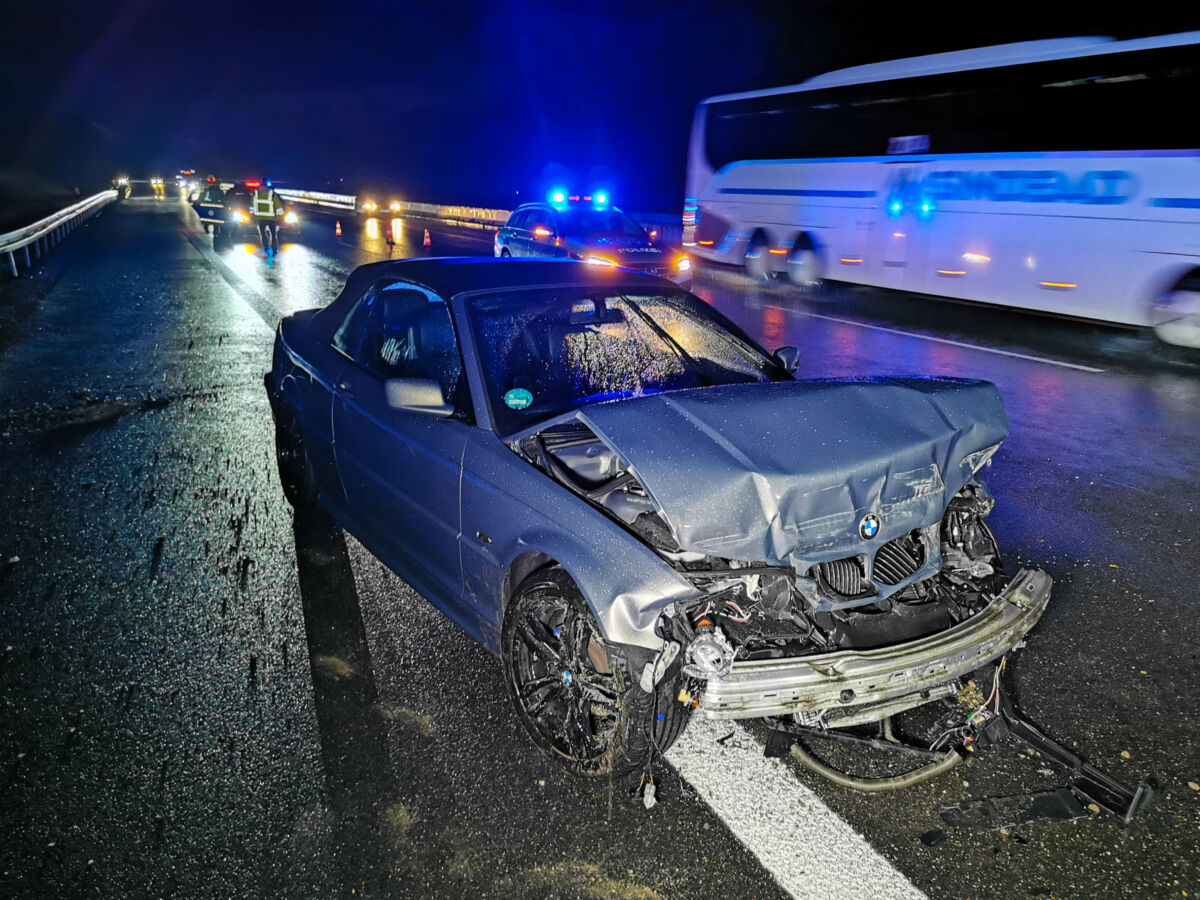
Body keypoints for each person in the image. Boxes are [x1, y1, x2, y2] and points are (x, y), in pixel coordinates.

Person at [251, 179, 285, 252]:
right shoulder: (271, 193)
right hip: (271, 217)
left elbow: (252, 205)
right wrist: (280, 215)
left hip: (260, 217)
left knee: (263, 233)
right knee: (273, 234)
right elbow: (277, 205)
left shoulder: (256, 193)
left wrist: (252, 214)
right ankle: (274, 250)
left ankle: (266, 248)